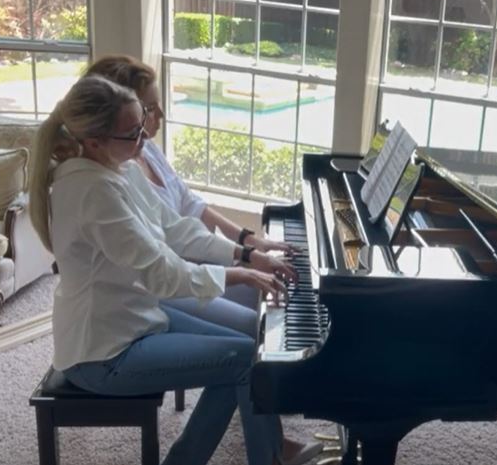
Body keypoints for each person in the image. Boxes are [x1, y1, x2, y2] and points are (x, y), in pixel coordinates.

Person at [28, 75, 316, 465]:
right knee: (245, 360)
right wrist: (240, 275)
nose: (144, 138)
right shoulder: (91, 191)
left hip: (136, 318)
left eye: (141, 125)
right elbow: (162, 273)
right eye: (132, 133)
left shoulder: (120, 167)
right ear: (93, 141)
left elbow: (176, 229)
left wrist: (246, 254)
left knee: (248, 354)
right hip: (102, 352)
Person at [83, 55, 295, 322]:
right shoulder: (115, 179)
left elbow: (189, 205)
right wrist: (244, 263)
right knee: (255, 321)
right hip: (169, 282)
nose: (161, 115)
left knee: (265, 297)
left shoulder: (147, 152)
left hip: (191, 266)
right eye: (150, 108)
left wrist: (250, 243)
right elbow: (167, 260)